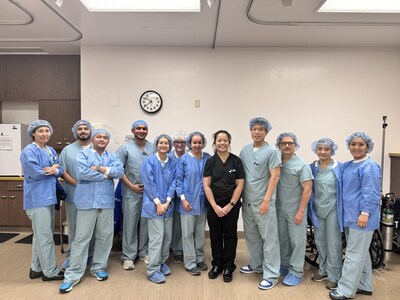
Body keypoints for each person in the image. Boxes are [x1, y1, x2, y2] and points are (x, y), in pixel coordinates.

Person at [59, 129, 124, 293]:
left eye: (105, 137)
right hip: (87, 202)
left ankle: (98, 267)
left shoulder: (113, 156)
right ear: (93, 139)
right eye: (99, 137)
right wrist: (106, 174)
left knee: (105, 236)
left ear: (108, 141)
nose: (102, 139)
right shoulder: (83, 154)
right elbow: (82, 173)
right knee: (81, 238)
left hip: (106, 202)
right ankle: (73, 275)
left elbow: (119, 172)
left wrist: (100, 169)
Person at [329, 132, 381, 300]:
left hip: (362, 217)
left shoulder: (370, 166)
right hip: (350, 217)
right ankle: (364, 285)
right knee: (361, 253)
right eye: (353, 144)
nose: (356, 147)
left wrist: (365, 213)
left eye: (361, 144)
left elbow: (371, 192)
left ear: (368, 146)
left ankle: (345, 290)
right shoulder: (350, 165)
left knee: (353, 255)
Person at [239, 117, 281, 290]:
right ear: (250, 131)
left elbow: (275, 176)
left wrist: (266, 199)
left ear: (266, 132)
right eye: (254, 129)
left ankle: (271, 275)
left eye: (260, 129)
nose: (257, 132)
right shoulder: (245, 150)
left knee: (269, 239)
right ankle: (256, 265)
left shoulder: (271, 151)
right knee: (252, 236)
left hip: (263, 203)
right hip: (247, 201)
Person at [20, 119, 64, 281]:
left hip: (49, 197)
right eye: (40, 131)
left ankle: (36, 268)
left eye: (47, 130)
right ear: (33, 133)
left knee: (40, 235)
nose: (44, 134)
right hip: (37, 199)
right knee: (45, 236)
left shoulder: (50, 150)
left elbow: (60, 168)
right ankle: (50, 272)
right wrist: (54, 169)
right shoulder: (29, 151)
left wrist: (54, 169)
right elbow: (36, 172)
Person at [203, 130, 245, 283]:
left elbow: (240, 185)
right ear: (215, 143)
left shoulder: (236, 161)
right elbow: (207, 185)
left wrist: (230, 205)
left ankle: (228, 266)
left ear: (229, 142)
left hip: (231, 205)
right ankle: (217, 264)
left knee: (230, 235)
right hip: (214, 205)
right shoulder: (210, 162)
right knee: (215, 235)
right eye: (219, 140)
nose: (222, 143)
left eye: (225, 140)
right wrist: (214, 206)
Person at [276, 132, 313, 286]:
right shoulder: (277, 162)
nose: (287, 145)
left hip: (295, 210)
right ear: (278, 145)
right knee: (282, 239)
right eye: (283, 143)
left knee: (297, 241)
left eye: (290, 143)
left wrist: (301, 211)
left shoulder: (301, 165)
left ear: (295, 145)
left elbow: (307, 189)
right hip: (279, 209)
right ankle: (284, 265)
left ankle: (296, 271)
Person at [116, 120, 153, 270]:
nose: (141, 131)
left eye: (144, 128)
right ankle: (128, 256)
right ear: (132, 130)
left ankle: (143, 251)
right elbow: (119, 170)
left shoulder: (153, 147)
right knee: (130, 224)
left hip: (149, 193)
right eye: (138, 128)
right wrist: (131, 185)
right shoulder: (125, 148)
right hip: (131, 191)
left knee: (146, 224)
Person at [141, 134, 177, 284]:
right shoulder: (149, 161)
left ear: (170, 146)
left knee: (167, 237)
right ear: (156, 145)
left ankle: (161, 262)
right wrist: (158, 203)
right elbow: (148, 183)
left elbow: (175, 182)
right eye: (161, 142)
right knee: (156, 238)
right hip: (153, 205)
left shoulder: (173, 162)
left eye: (166, 143)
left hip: (168, 205)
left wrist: (167, 201)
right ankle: (152, 270)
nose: (163, 145)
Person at [308, 138, 343, 290]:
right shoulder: (311, 167)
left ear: (332, 150)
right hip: (317, 208)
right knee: (320, 240)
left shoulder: (339, 167)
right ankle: (322, 270)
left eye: (326, 149)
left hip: (333, 208)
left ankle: (334, 275)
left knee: (334, 243)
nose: (323, 152)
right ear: (316, 150)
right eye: (320, 148)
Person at [59, 120, 94, 270]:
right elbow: (63, 171)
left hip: (93, 195)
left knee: (92, 226)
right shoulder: (68, 150)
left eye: (86, 128)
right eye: (80, 129)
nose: (83, 131)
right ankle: (72, 255)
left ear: (90, 131)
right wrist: (78, 184)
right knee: (73, 225)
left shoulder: (96, 148)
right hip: (74, 193)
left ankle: (90, 255)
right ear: (76, 131)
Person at [176, 131, 211, 276]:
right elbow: (178, 181)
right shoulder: (183, 159)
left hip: (203, 202)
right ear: (189, 144)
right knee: (187, 233)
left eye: (199, 142)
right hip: (188, 202)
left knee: (199, 233)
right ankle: (190, 262)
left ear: (203, 143)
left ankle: (199, 259)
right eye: (194, 142)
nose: (197, 145)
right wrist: (183, 199)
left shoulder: (207, 158)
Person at [169, 130, 188, 263]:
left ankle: (182, 249)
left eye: (182, 142)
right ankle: (175, 248)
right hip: (171, 195)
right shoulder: (169, 157)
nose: (179, 144)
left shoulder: (190, 156)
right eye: (176, 142)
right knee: (175, 224)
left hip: (186, 195)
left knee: (184, 225)